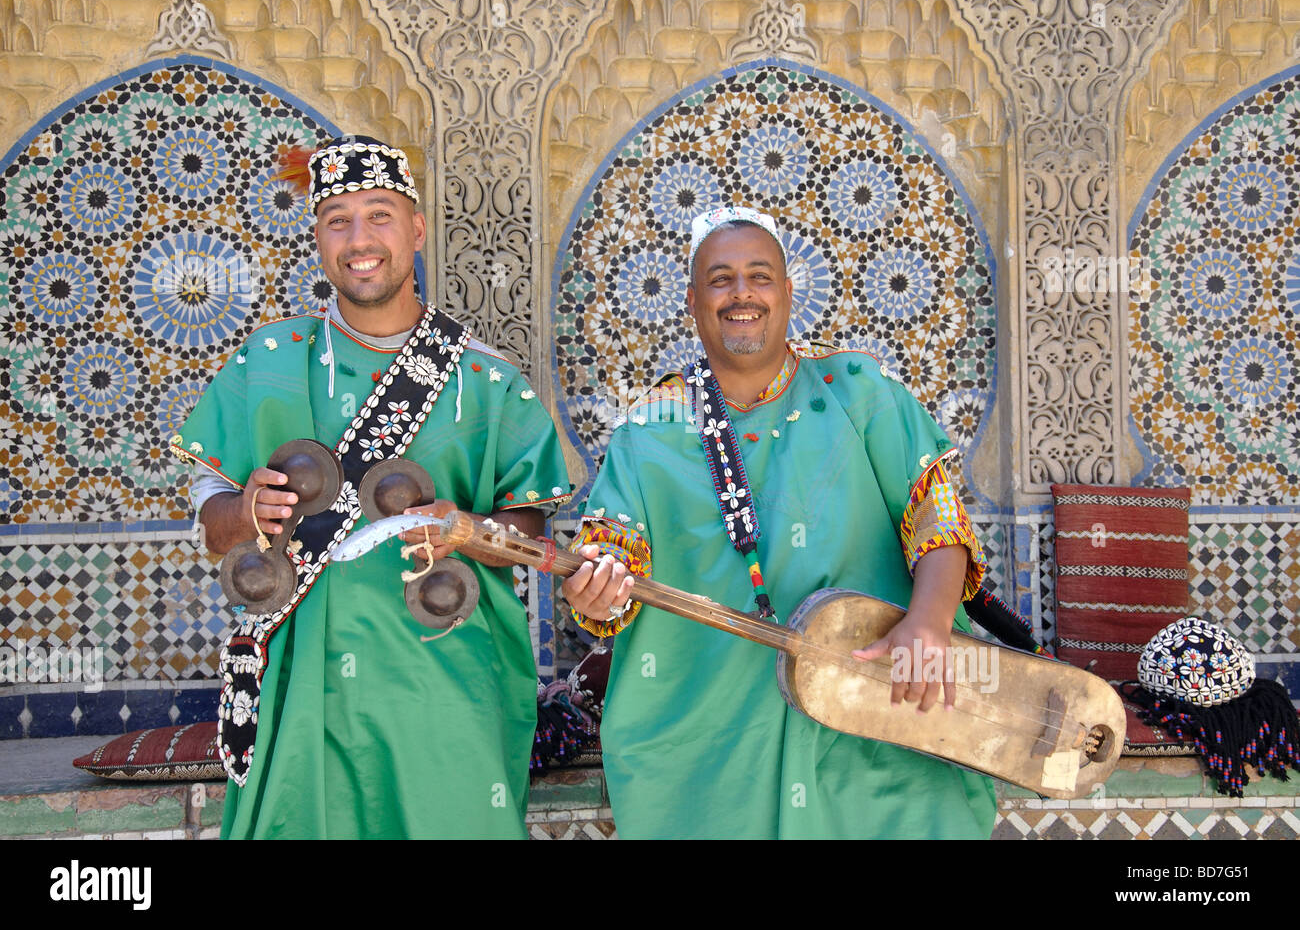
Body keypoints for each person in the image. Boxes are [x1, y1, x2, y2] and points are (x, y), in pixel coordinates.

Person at [172, 135, 571, 838]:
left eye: (380, 215)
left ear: (416, 229)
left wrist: (467, 528)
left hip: (442, 683)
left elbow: (533, 535)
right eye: (337, 220)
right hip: (303, 690)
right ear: (318, 238)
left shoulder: (484, 378)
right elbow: (213, 525)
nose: (360, 239)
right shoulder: (271, 361)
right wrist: (245, 509)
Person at [561, 205, 997, 838]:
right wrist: (594, 589)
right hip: (712, 734)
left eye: (760, 276)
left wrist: (927, 625)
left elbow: (939, 521)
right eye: (721, 279)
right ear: (691, 300)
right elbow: (607, 567)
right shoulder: (648, 429)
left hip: (871, 717)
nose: (742, 293)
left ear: (788, 293)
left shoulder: (858, 391)